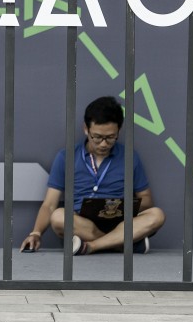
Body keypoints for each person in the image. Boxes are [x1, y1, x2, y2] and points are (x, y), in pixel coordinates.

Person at [20, 96, 165, 255]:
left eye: (110, 137)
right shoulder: (66, 157)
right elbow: (49, 204)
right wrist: (36, 233)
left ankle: (90, 246)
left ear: (119, 131)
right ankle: (120, 244)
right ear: (86, 129)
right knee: (58, 216)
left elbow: (147, 200)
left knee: (157, 215)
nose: (103, 144)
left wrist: (119, 206)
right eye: (97, 137)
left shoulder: (129, 157)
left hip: (120, 222)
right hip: (82, 223)